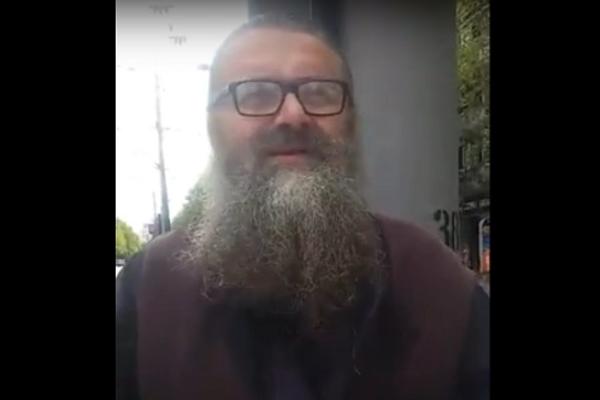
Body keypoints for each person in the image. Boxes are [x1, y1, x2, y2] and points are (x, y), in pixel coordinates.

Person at [116, 14, 489, 400]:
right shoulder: (148, 291)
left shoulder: (439, 287)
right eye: (255, 94)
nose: (293, 115)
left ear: (351, 125)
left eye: (320, 94)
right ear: (212, 128)